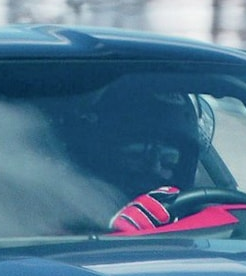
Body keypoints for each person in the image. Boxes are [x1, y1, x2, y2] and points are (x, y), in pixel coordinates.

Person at [62, 83, 211, 232]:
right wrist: (116, 232)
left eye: (169, 160)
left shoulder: (202, 214)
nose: (154, 167)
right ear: (104, 157)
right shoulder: (65, 209)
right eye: (136, 155)